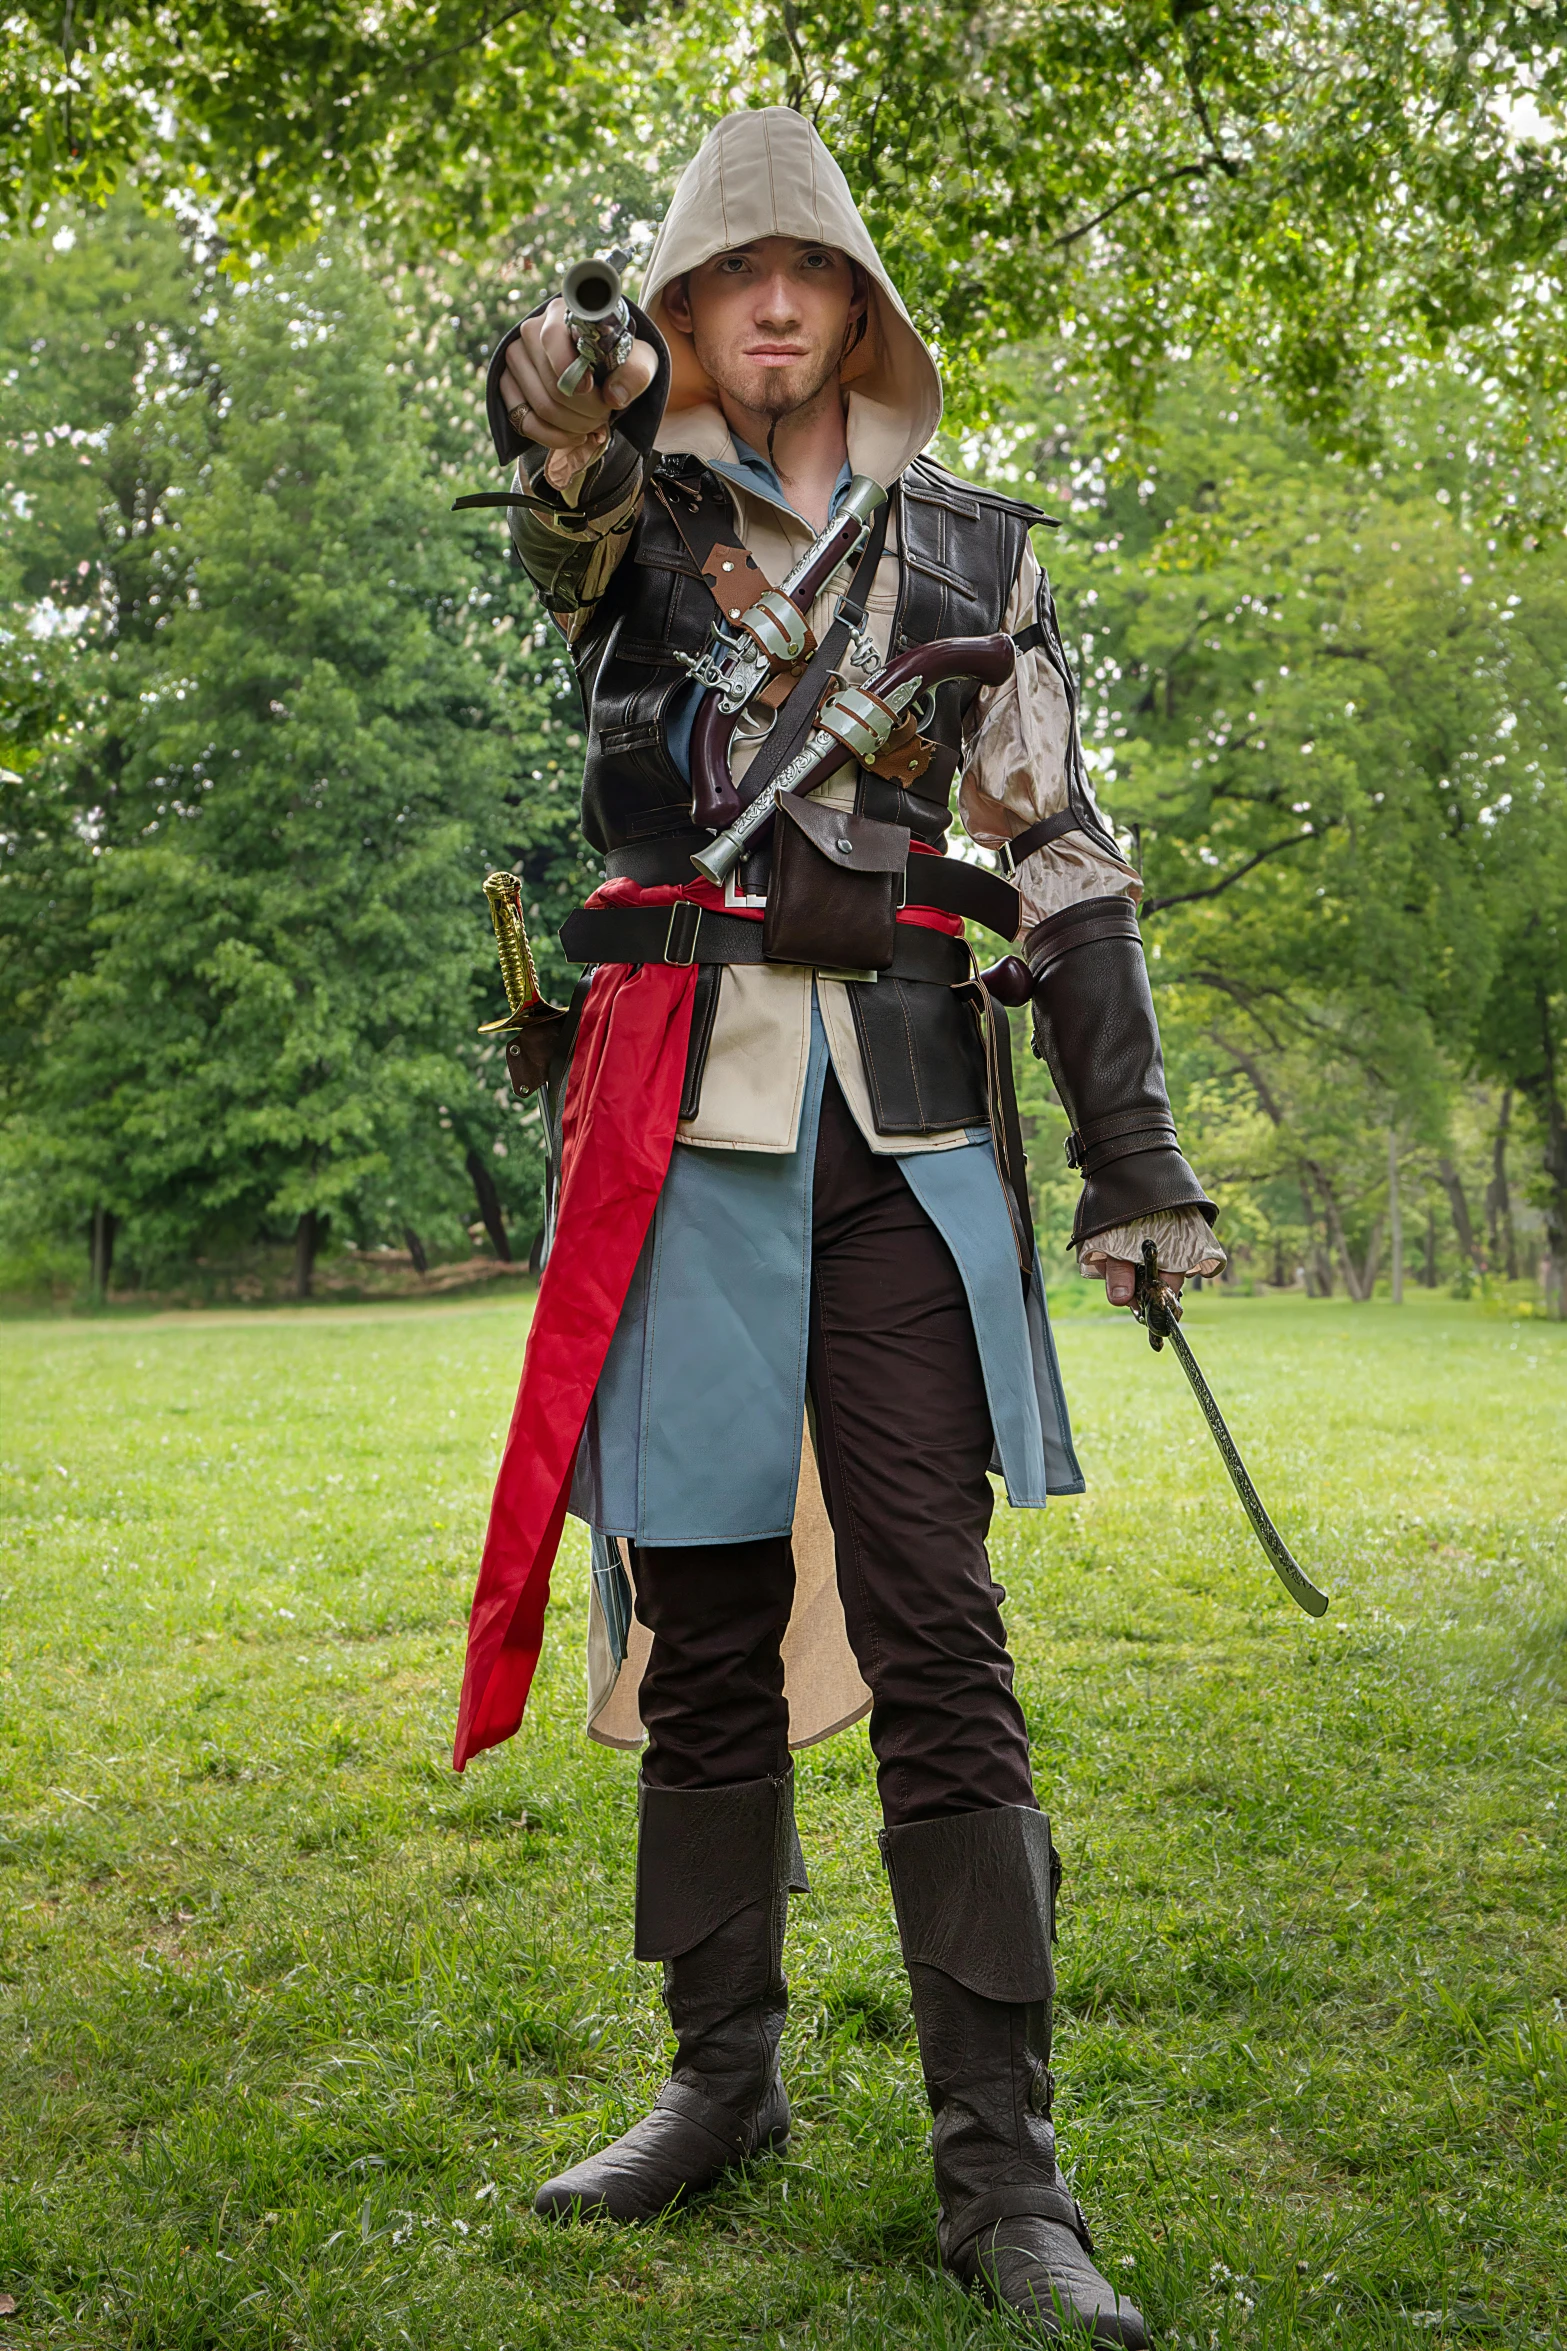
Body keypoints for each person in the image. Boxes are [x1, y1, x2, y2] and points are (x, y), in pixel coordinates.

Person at [456, 107, 1223, 2347]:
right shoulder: (630, 521)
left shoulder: (976, 561)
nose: (770, 304)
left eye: (809, 270)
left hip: (903, 1134)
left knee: (932, 1616)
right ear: (685, 318)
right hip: (685, 1124)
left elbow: (1063, 860)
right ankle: (724, 2082)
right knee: (699, 1611)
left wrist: (1140, 1162)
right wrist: (556, 396)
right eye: (725, 277)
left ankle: (1009, 2172)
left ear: (860, 307)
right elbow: (562, 485)